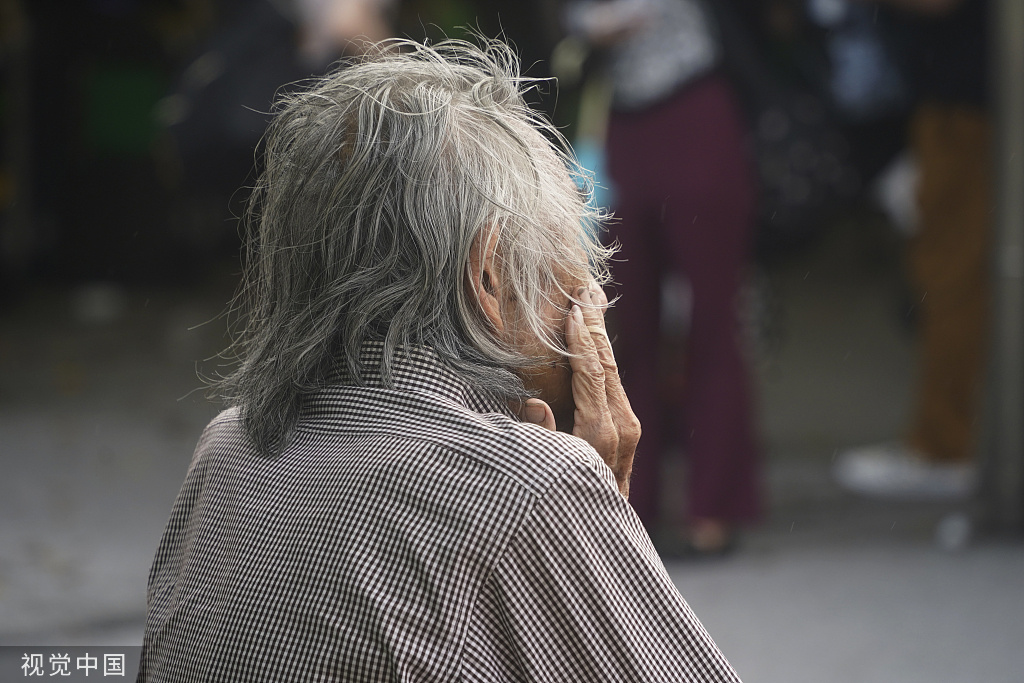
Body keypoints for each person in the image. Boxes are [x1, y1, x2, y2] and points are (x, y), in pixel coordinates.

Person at [137, 39, 743, 681]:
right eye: (577, 273)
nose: (589, 302)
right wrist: (600, 508)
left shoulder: (224, 447)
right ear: (486, 277)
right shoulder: (531, 487)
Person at [563, 0, 762, 555]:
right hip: (620, 125)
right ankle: (629, 505)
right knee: (617, 327)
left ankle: (714, 507)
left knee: (712, 320)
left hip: (696, 109)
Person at [834, 0, 988, 499]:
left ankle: (946, 444)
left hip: (967, 104)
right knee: (949, 274)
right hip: (949, 100)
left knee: (953, 278)